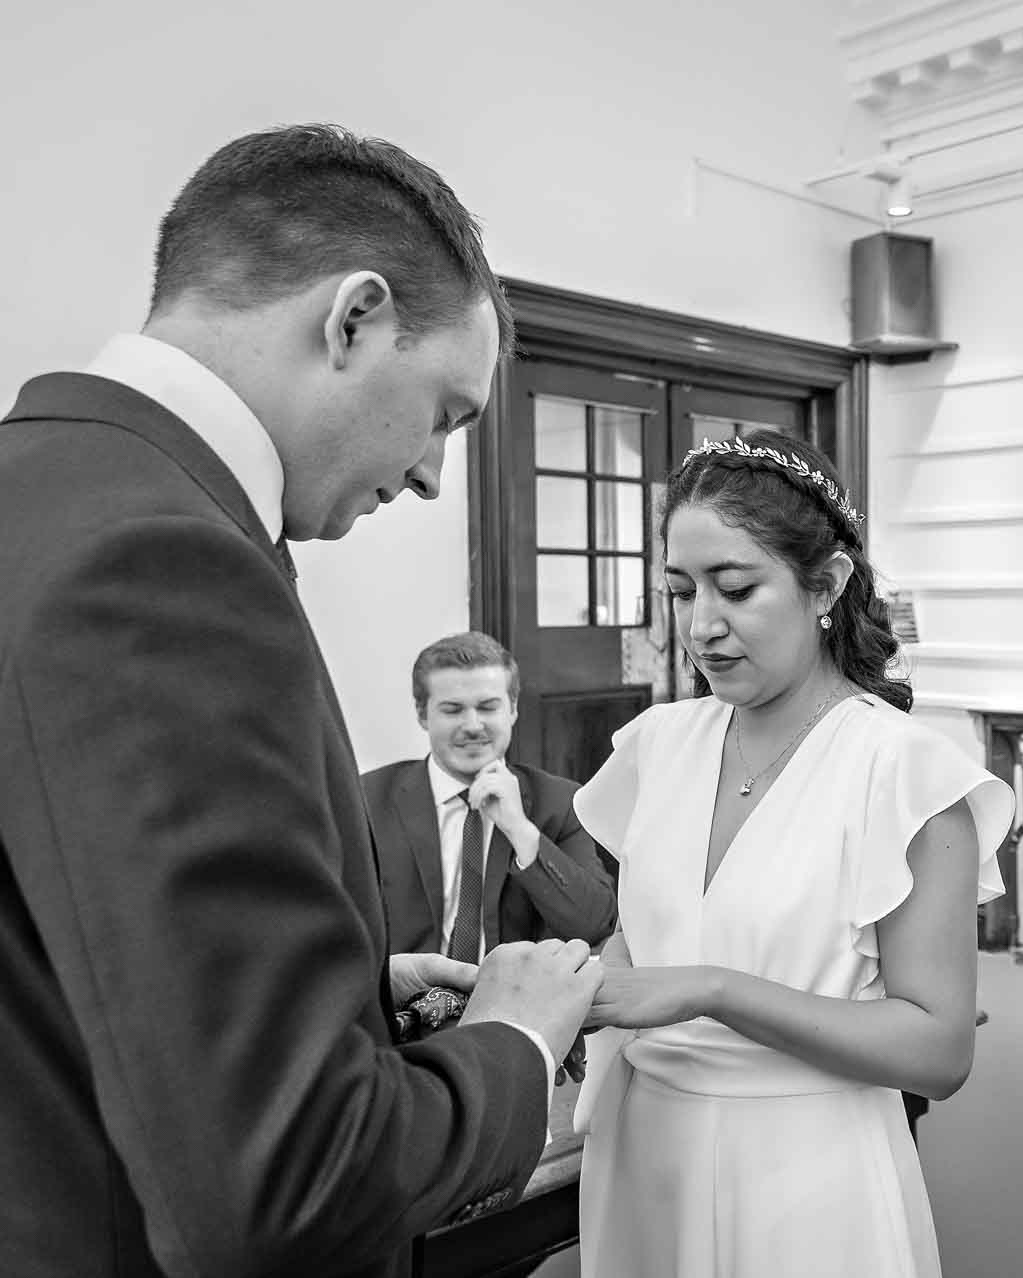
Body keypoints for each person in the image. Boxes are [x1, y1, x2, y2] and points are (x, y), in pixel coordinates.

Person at [0, 124, 602, 1278]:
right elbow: (286, 1184)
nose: (432, 475)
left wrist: (343, 1001)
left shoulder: (44, 494)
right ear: (355, 317)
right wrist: (516, 1041)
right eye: (447, 414)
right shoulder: (162, 564)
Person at [569, 430, 1013, 1278]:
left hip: (804, 1176)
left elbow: (938, 1051)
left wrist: (715, 990)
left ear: (827, 585)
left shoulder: (903, 773)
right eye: (679, 590)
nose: (702, 626)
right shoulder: (656, 746)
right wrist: (566, 981)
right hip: (643, 1155)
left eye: (736, 588)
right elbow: (647, 940)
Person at [366, 631, 617, 957]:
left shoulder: (559, 803)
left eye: (487, 707)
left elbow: (595, 926)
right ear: (422, 714)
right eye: (453, 710)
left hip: (516, 1000)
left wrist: (521, 831)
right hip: (405, 1001)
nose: (472, 725)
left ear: (512, 709)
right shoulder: (368, 801)